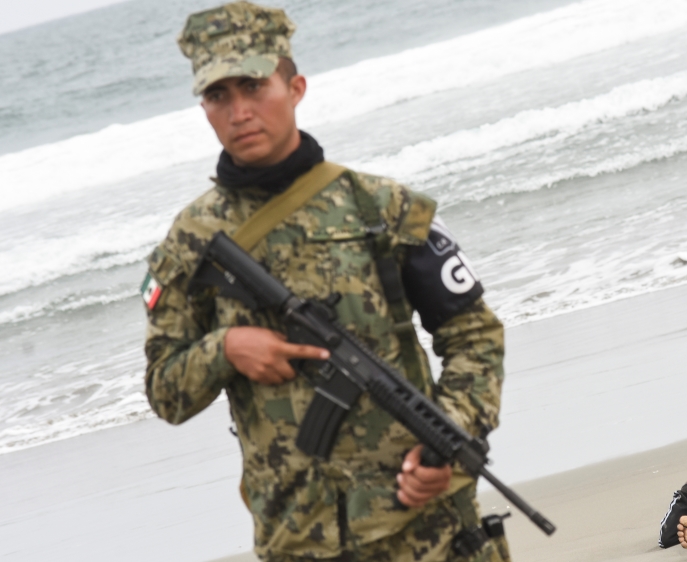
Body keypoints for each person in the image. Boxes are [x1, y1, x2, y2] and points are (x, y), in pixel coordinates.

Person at [142, 2, 509, 561]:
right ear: (204, 107)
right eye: (219, 96)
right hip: (298, 539)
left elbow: (474, 337)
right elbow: (165, 390)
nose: (240, 110)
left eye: (254, 86)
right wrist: (225, 348)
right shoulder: (190, 240)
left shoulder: (382, 207)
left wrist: (446, 448)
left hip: (427, 533)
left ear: (295, 88)